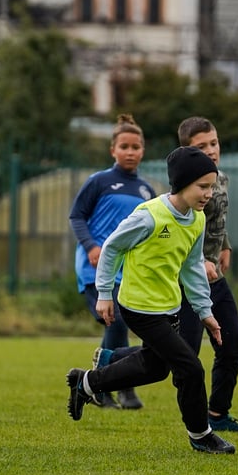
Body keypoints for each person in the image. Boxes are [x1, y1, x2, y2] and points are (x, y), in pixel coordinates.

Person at [65, 146, 236, 455]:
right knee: (191, 368)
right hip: (139, 307)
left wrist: (204, 312)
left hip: (167, 305)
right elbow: (112, 248)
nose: (209, 193)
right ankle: (201, 434)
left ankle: (87, 383)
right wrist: (105, 294)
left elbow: (192, 267)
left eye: (211, 186)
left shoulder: (196, 220)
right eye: (203, 186)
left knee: (155, 368)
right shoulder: (149, 217)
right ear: (182, 184)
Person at [68, 114, 155, 410]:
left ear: (143, 150)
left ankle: (100, 385)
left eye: (136, 147)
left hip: (127, 272)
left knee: (123, 325)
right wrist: (91, 246)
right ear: (113, 150)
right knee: (115, 320)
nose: (130, 152)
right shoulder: (99, 181)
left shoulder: (146, 191)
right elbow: (77, 216)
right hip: (95, 269)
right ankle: (118, 388)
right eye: (124, 146)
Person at [174, 115, 238, 432]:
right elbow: (184, 229)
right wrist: (199, 261)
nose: (211, 150)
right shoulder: (184, 187)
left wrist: (225, 246)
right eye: (201, 146)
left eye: (214, 143)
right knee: (181, 355)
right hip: (188, 277)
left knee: (232, 344)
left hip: (214, 276)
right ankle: (111, 362)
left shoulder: (221, 178)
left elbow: (214, 221)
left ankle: (217, 416)